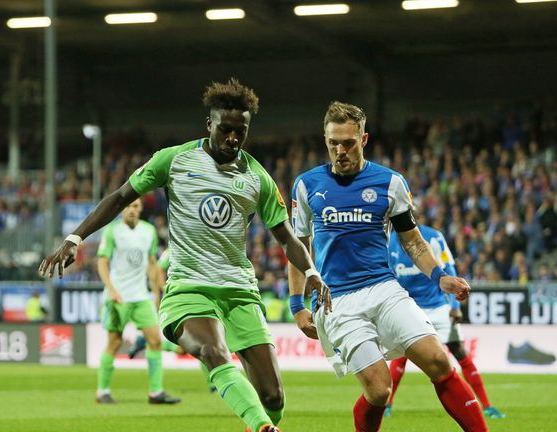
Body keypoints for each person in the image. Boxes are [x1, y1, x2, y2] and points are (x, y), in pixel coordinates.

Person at [40, 78, 329, 432]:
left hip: (239, 290)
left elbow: (286, 238)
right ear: (209, 125)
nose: (233, 139)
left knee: (273, 400)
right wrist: (75, 237)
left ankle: (263, 423)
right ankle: (263, 428)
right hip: (189, 289)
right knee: (213, 352)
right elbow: (118, 197)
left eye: (241, 131)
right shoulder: (173, 160)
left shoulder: (257, 177)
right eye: (225, 130)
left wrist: (311, 270)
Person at [288, 101, 487, 432]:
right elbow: (297, 248)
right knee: (380, 390)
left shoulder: (390, 182)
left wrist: (440, 277)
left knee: (439, 360)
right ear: (325, 139)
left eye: (348, 143)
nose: (340, 151)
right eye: (333, 142)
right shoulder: (307, 185)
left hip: (384, 287)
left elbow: (412, 241)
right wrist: (297, 305)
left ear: (364, 139)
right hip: (337, 299)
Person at [386, 222, 506, 419]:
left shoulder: (432, 237)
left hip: (439, 306)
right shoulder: (389, 241)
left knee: (459, 351)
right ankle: (387, 405)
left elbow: (448, 266)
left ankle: (487, 406)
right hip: (410, 306)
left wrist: (455, 306)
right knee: (401, 354)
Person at [94, 198, 180, 405]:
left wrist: (157, 293)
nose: (131, 210)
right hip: (118, 297)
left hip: (141, 296)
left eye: (135, 206)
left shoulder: (148, 231)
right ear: (122, 209)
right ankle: (102, 392)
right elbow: (102, 262)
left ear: (140, 209)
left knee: (155, 340)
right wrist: (112, 290)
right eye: (128, 206)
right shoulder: (112, 231)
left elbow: (151, 263)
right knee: (114, 343)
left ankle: (156, 392)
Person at [128, 246, 217, 393]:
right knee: (202, 342)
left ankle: (145, 342)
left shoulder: (199, 248)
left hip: (193, 300)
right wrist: (164, 290)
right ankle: (214, 384)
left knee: (188, 347)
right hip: (178, 301)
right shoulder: (174, 249)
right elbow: (159, 269)